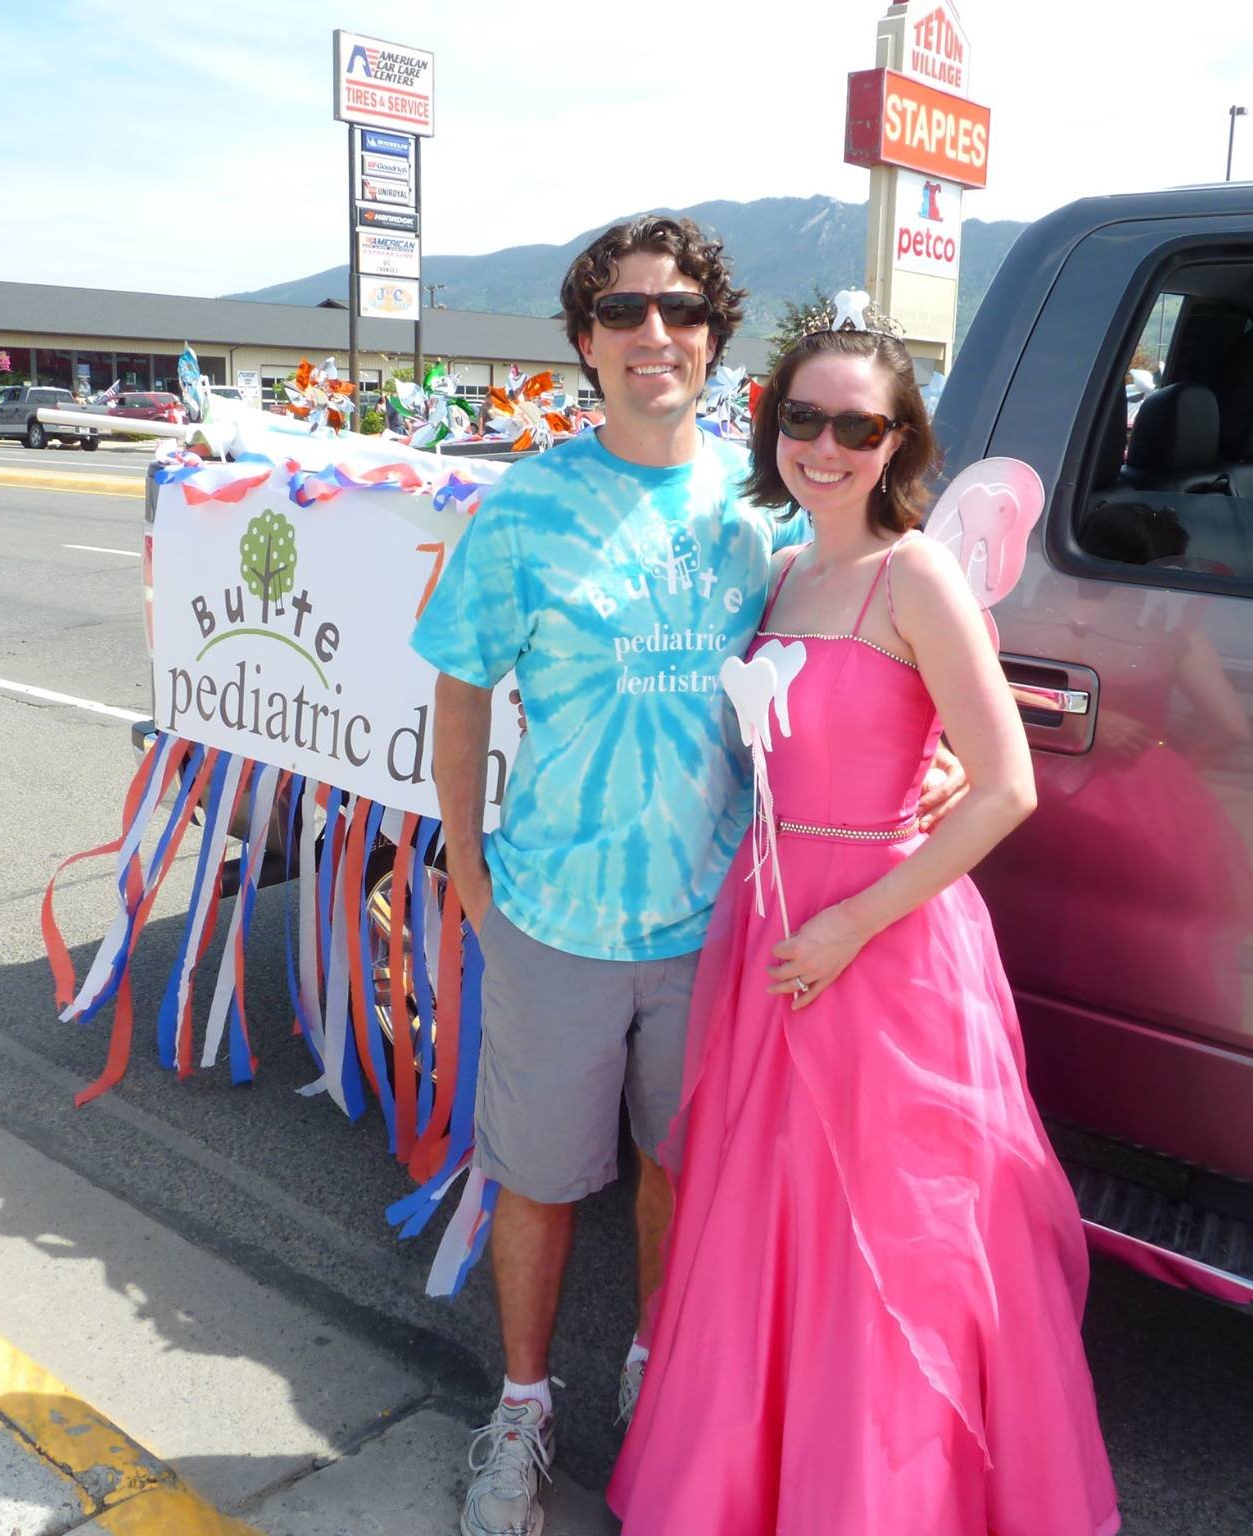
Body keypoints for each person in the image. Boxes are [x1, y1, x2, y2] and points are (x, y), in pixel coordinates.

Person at [412, 221, 962, 1536]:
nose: (651, 332)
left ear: (715, 338)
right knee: (539, 1178)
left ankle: (661, 1372)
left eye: (677, 310)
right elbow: (461, 700)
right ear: (585, 342)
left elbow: (860, 640)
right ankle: (527, 1407)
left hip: (718, 922)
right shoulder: (524, 507)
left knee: (682, 1169)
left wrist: (931, 760)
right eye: (620, 310)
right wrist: (474, 875)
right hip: (554, 913)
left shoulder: (763, 504)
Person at [607, 318, 1120, 1534]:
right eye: (802, 418)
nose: (823, 446)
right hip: (768, 932)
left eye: (856, 426)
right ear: (771, 424)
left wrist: (853, 927)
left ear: (896, 446)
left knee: (889, 1246)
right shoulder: (782, 571)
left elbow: (1004, 786)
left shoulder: (914, 575)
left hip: (882, 955)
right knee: (769, 1232)